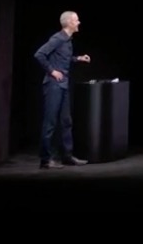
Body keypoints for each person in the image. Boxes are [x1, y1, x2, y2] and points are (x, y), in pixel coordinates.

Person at [34, 10, 91, 169]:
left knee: (66, 121)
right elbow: (39, 54)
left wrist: (78, 58)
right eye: (76, 20)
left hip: (64, 84)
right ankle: (45, 159)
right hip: (53, 85)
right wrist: (52, 71)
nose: (79, 23)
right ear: (69, 23)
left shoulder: (68, 41)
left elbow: (62, 58)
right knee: (50, 122)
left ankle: (67, 156)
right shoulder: (57, 38)